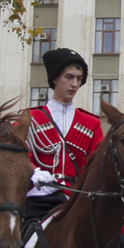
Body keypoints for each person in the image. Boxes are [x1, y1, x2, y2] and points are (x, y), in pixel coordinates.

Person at [25, 48, 104, 222]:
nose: (74, 84)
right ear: (55, 78)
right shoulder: (29, 119)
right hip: (39, 197)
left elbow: (97, 165)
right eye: (69, 77)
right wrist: (33, 171)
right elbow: (19, 154)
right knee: (18, 245)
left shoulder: (91, 123)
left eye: (78, 78)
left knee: (119, 247)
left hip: (77, 198)